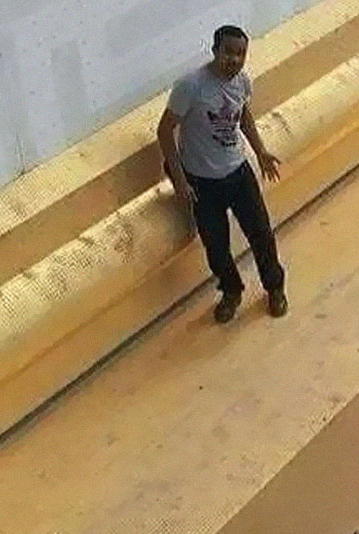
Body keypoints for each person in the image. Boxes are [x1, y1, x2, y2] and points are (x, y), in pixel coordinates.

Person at [157, 25, 288, 324]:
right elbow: (164, 131)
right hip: (202, 184)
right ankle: (231, 291)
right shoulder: (190, 87)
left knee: (262, 235)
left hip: (238, 175)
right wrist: (180, 180)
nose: (235, 59)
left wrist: (260, 151)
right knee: (216, 248)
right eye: (229, 52)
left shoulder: (243, 81)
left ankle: (275, 288)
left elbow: (243, 115)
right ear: (215, 51)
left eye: (241, 53)